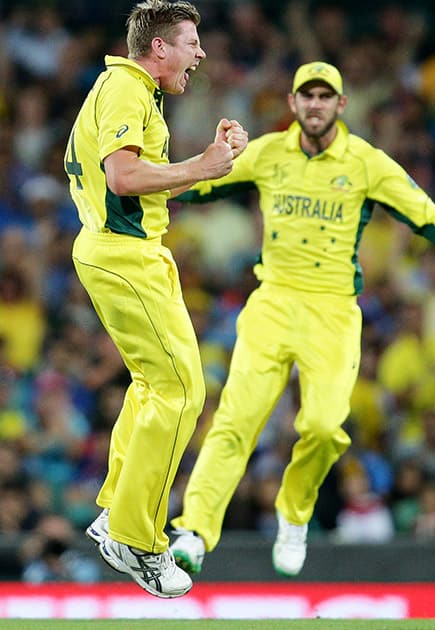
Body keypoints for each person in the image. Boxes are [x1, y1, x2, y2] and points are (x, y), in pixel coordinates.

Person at [167, 61, 435, 577]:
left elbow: (423, 213)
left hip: (332, 311)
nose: (314, 104)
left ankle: (294, 513)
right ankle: (194, 530)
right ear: (292, 104)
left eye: (324, 96)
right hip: (273, 303)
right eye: (305, 96)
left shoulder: (366, 163)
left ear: (341, 105)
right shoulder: (266, 152)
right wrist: (140, 184)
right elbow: (197, 182)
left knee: (326, 428)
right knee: (234, 421)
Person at [65, 0, 247, 599]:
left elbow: (135, 179)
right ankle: (136, 540)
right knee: (182, 391)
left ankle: (118, 510)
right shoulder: (124, 87)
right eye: (191, 42)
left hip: (129, 249)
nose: (200, 53)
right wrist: (202, 165)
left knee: (154, 387)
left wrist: (212, 163)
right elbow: (122, 176)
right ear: (159, 47)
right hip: (122, 254)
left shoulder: (132, 90)